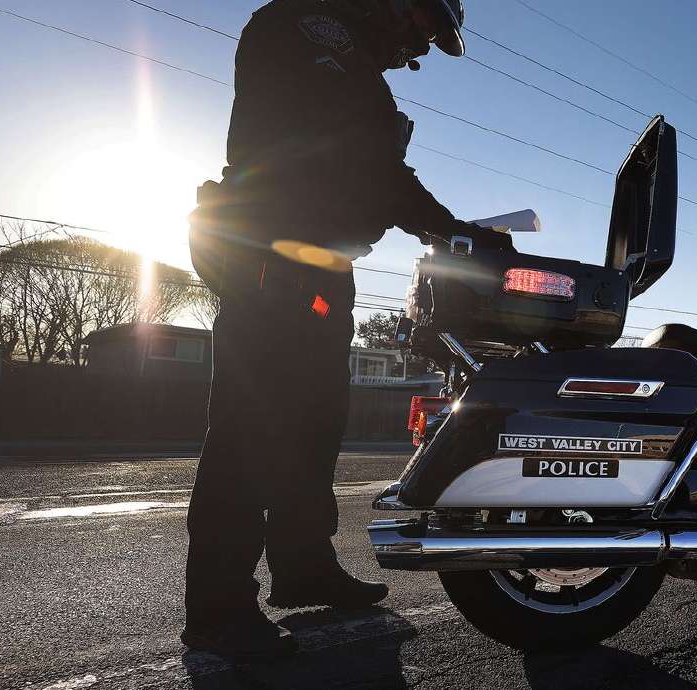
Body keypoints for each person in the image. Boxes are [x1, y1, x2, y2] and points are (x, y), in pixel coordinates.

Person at [183, 0, 506, 660]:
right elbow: (368, 171)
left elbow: (382, 176)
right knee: (251, 432)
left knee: (314, 426)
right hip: (271, 256)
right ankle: (216, 611)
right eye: (421, 30)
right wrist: (453, 228)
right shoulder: (305, 28)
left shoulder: (364, 74)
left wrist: (455, 229)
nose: (415, 52)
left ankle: (303, 567)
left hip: (323, 271)